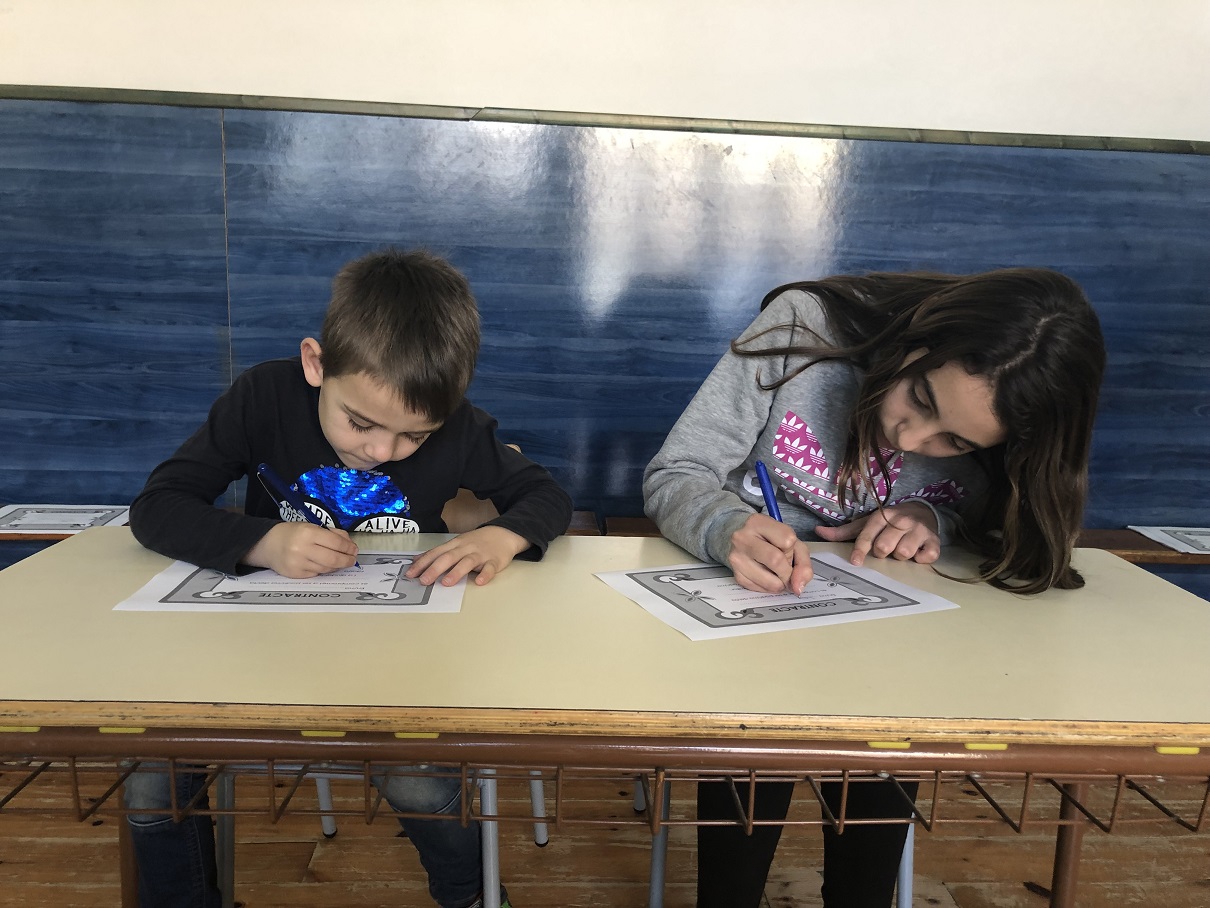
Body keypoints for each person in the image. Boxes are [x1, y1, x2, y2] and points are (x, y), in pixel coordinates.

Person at [643, 268, 1105, 908]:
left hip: (891, 654)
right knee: (752, 775)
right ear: (917, 338)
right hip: (750, 629)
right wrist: (725, 527)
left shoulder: (1015, 438)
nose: (908, 437)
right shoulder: (803, 328)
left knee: (879, 776)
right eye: (920, 396)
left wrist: (931, 519)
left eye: (954, 442)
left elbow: (999, 531)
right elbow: (677, 471)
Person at [127, 248, 574, 908]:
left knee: (418, 781)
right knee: (149, 780)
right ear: (316, 365)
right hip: (259, 652)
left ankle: (475, 898)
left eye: (414, 437)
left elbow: (546, 495)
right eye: (360, 422)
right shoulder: (263, 398)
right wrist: (261, 542)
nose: (380, 452)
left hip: (400, 662)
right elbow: (157, 506)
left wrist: (501, 535)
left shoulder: (459, 428)